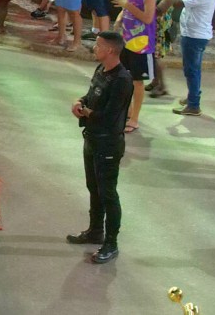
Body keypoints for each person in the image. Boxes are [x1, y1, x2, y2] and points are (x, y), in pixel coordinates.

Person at [67, 31, 133, 265]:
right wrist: (80, 102)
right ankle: (95, 231)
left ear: (111, 51)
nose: (94, 48)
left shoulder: (122, 80)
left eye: (98, 45)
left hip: (108, 143)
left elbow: (109, 116)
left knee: (108, 193)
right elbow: (90, 96)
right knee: (93, 187)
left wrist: (86, 112)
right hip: (92, 139)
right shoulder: (100, 71)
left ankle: (111, 243)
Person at [113, 0, 157, 134]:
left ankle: (135, 118)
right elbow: (125, 10)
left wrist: (127, 6)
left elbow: (147, 18)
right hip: (126, 40)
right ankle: (128, 110)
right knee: (124, 77)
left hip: (142, 44)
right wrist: (119, 18)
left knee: (138, 82)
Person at [172, 0, 215, 117]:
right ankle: (193, 96)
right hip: (199, 35)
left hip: (193, 36)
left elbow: (176, 3)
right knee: (194, 69)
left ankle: (194, 105)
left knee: (191, 70)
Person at [147, 0, 179, 100]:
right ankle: (155, 81)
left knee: (157, 58)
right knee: (152, 57)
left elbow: (159, 10)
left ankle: (162, 87)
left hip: (161, 31)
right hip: (151, 29)